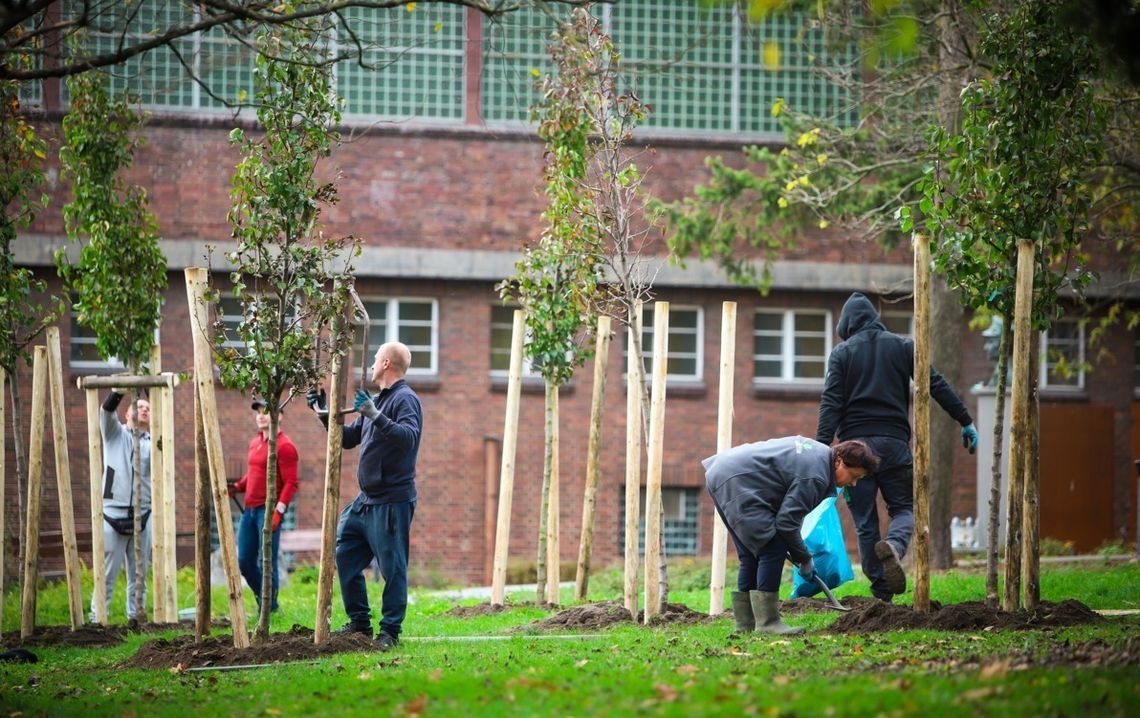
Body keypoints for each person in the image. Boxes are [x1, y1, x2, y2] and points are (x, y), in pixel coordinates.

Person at [815, 292, 979, 603]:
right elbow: (935, 383)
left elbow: (831, 403)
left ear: (847, 325)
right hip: (894, 446)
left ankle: (881, 594)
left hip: (853, 452)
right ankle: (895, 545)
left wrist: (821, 448)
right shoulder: (903, 346)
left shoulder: (842, 353)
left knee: (865, 522)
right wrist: (965, 420)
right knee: (904, 509)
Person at [308, 341, 423, 651]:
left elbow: (408, 438)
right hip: (365, 501)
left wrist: (375, 416)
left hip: (392, 500)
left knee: (392, 568)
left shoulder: (405, 400)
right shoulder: (376, 400)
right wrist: (321, 413)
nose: (372, 364)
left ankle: (390, 632)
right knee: (344, 554)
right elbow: (348, 439)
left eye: (375, 359)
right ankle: (360, 622)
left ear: (386, 363)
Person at [704, 437, 880, 635]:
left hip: (721, 471)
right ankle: (768, 624)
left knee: (750, 554)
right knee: (773, 548)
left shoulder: (820, 456)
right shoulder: (817, 476)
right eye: (854, 476)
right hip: (739, 479)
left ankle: (746, 624)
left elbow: (787, 514)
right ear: (839, 461)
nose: (854, 483)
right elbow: (787, 523)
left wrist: (800, 553)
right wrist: (804, 558)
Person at [229, 399, 299, 614]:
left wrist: (278, 511)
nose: (260, 415)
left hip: (267, 511)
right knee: (244, 561)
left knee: (267, 561)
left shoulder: (285, 446)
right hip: (249, 511)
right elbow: (255, 473)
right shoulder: (256, 442)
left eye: (266, 411)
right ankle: (267, 600)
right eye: (258, 412)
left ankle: (268, 608)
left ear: (279, 416)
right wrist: (239, 486)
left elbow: (291, 483)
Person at [90, 390, 151, 625]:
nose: (144, 409)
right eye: (139, 406)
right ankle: (98, 620)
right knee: (107, 573)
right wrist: (119, 391)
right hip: (113, 512)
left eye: (147, 408)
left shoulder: (154, 442)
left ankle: (136, 618)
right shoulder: (114, 434)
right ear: (126, 414)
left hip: (143, 512)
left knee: (139, 574)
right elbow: (105, 411)